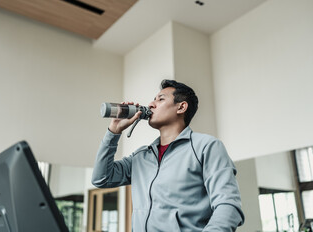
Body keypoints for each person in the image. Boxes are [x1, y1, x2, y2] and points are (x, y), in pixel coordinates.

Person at [92, 79, 245, 231]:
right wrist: (114, 131)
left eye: (160, 99)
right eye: (153, 99)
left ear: (181, 107)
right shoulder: (140, 157)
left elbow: (228, 206)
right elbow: (101, 179)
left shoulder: (206, 147)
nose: (151, 104)